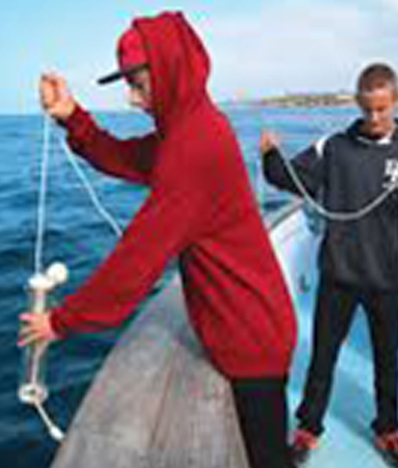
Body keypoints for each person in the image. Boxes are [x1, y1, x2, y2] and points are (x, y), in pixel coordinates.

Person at [19, 11, 297, 468]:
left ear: (169, 70)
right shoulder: (191, 127)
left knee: (268, 459)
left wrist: (60, 322)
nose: (131, 99)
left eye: (137, 83)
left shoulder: (193, 146)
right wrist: (73, 117)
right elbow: (124, 157)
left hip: (252, 340)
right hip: (249, 326)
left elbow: (136, 262)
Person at [259, 63, 398, 467]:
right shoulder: (335, 146)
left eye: (382, 109)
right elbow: (290, 177)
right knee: (323, 357)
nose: (374, 118)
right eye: (367, 110)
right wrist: (269, 155)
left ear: (396, 101)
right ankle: (308, 428)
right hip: (340, 275)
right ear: (359, 104)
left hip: (390, 279)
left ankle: (388, 429)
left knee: (387, 361)